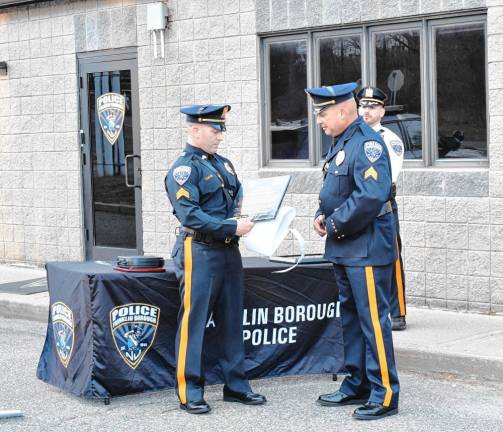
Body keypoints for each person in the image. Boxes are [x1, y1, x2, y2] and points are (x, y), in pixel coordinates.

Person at [305, 83, 400, 420]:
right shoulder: (341, 143)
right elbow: (334, 188)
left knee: (373, 322)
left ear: (344, 111)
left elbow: (370, 196)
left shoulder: (367, 144)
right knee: (351, 320)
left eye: (323, 112)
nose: (318, 119)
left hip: (367, 247)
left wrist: (333, 224)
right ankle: (358, 382)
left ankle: (385, 392)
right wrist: (321, 213)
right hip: (346, 246)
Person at [165, 104, 266, 414]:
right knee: (195, 321)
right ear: (194, 130)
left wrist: (250, 217)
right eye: (215, 129)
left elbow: (234, 204)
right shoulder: (184, 169)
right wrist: (232, 226)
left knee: (232, 320)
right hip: (200, 251)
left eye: (221, 129)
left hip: (227, 249)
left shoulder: (224, 165)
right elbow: (190, 215)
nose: (221, 135)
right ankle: (189, 390)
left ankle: (236, 385)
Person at [356, 86, 407, 331]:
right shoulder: (352, 136)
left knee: (392, 256)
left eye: (372, 106)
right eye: (363, 105)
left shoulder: (389, 140)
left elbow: (386, 178)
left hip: (383, 203)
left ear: (382, 111)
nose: (366, 110)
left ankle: (398, 313)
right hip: (357, 204)